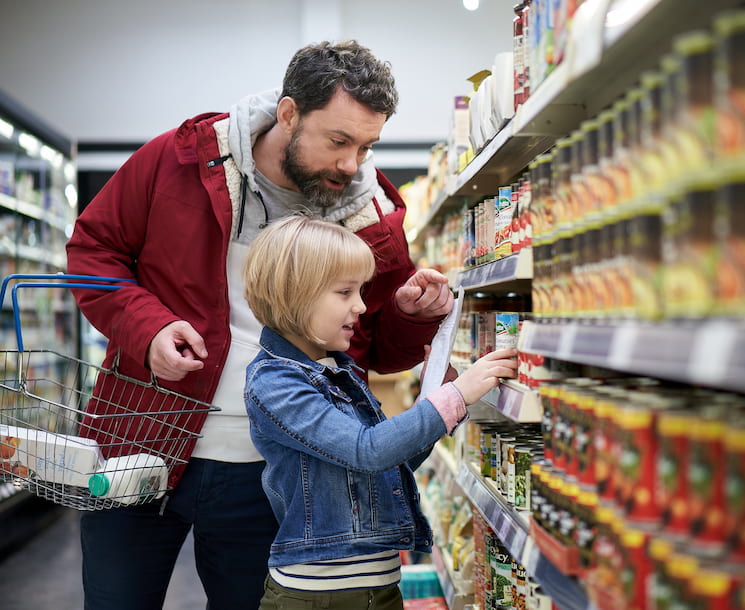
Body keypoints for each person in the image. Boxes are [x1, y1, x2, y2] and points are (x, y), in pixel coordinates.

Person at [66, 41, 454, 610]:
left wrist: (410, 316)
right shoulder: (180, 161)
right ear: (289, 114)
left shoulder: (370, 214)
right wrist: (148, 330)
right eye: (338, 141)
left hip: (277, 475)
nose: (352, 165)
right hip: (140, 442)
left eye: (366, 146)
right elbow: (92, 252)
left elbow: (380, 351)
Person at [242, 216, 517, 610]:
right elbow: (367, 450)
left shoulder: (339, 371)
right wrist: (455, 395)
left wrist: (436, 399)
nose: (360, 306)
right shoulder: (275, 382)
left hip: (379, 588)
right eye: (345, 292)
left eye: (360, 291)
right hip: (318, 597)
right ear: (293, 295)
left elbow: (391, 462)